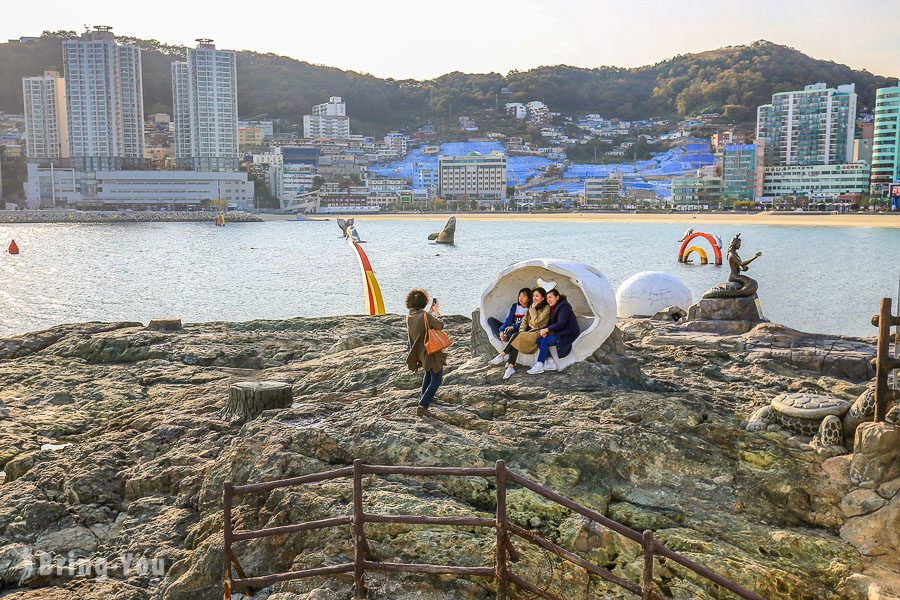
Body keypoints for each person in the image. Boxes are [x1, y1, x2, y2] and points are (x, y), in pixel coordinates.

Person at [405, 288, 446, 417]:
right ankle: (423, 405)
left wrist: (429, 313)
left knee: (428, 375)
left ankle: (425, 397)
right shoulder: (425, 316)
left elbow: (421, 323)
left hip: (420, 353)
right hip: (431, 352)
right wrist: (437, 312)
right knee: (437, 380)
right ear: (424, 302)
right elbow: (440, 325)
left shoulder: (410, 316)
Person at [499, 288, 550, 380]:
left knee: (516, 336)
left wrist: (533, 308)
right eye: (534, 296)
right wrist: (521, 332)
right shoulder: (531, 307)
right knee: (517, 336)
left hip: (538, 332)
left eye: (537, 296)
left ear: (543, 298)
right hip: (529, 333)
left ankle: (502, 355)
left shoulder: (546, 308)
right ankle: (510, 367)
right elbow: (524, 322)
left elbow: (537, 321)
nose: (535, 298)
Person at [529, 288, 580, 374]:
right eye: (547, 298)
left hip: (568, 335)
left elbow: (561, 323)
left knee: (545, 341)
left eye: (550, 297)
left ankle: (539, 364)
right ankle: (550, 363)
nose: (548, 300)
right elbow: (552, 324)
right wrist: (547, 332)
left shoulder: (564, 307)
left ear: (557, 297)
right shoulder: (554, 308)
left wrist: (546, 329)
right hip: (560, 333)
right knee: (539, 340)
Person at [488, 287, 532, 352]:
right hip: (510, 327)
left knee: (511, 332)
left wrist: (512, 327)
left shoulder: (530, 309)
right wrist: (501, 331)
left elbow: (525, 324)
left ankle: (506, 338)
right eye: (520, 296)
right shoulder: (515, 306)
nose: (521, 298)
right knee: (491, 320)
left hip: (519, 330)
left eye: (524, 297)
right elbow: (509, 320)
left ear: (528, 299)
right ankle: (502, 337)